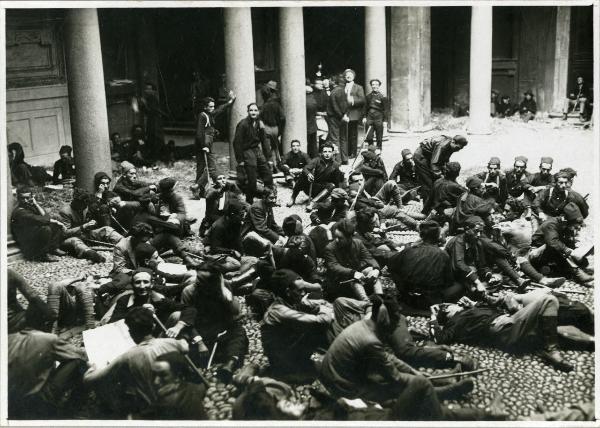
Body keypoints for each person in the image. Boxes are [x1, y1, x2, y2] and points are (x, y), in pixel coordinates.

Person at [319, 295, 479, 420]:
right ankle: (444, 391)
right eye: (395, 318)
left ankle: (438, 382)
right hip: (342, 385)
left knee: (405, 376)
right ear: (384, 318)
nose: (397, 324)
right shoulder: (370, 340)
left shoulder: (366, 326)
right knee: (393, 387)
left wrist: (413, 372)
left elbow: (388, 358)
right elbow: (394, 377)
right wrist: (420, 381)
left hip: (341, 374)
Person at [430, 288, 578, 372]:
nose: (457, 304)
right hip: (506, 329)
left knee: (545, 302)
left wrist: (475, 304)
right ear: (448, 312)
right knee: (549, 301)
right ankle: (551, 349)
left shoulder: (469, 312)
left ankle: (546, 342)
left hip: (510, 321)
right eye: (451, 305)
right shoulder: (456, 321)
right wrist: (433, 317)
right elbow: (440, 338)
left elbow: (493, 308)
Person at [83, 306, 191, 417]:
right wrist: (182, 341)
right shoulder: (172, 343)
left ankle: (117, 414)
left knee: (110, 380)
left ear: (130, 332)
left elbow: (89, 379)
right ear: (153, 326)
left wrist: (91, 367)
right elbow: (184, 346)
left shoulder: (127, 356)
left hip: (154, 412)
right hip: (181, 402)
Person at [8, 309, 88, 419]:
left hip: (11, 401)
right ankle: (69, 412)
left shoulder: (10, 337)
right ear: (46, 323)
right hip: (35, 402)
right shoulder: (48, 339)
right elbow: (80, 355)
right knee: (79, 362)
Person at [181, 265, 249, 382]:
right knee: (185, 346)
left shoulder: (223, 288)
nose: (199, 283)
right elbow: (187, 319)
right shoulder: (189, 291)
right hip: (200, 333)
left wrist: (225, 292)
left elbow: (236, 311)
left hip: (221, 330)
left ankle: (230, 364)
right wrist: (199, 342)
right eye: (198, 279)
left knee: (239, 331)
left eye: (205, 280)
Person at [388, 221, 458, 312]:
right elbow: (448, 282)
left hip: (407, 298)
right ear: (438, 236)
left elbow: (391, 265)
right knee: (460, 285)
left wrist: (401, 286)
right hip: (429, 301)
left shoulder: (408, 250)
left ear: (421, 235)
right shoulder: (443, 255)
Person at [530, 202, 594, 285]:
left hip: (548, 254)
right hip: (536, 253)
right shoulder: (551, 224)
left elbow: (568, 242)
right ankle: (577, 273)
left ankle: (566, 268)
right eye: (574, 223)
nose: (576, 227)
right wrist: (569, 251)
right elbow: (553, 242)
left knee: (582, 261)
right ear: (567, 220)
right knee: (556, 246)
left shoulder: (564, 225)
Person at [58, 187, 123, 263]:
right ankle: (91, 254)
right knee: (75, 241)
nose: (85, 206)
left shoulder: (85, 207)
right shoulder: (65, 212)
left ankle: (126, 242)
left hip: (85, 235)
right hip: (69, 239)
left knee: (107, 229)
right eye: (83, 203)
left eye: (86, 203)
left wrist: (92, 224)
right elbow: (64, 233)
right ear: (76, 201)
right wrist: (83, 227)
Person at [323, 219, 382, 301]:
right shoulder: (330, 248)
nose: (336, 240)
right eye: (335, 236)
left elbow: (369, 258)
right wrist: (352, 273)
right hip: (340, 280)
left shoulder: (358, 243)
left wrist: (376, 269)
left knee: (371, 271)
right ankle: (366, 303)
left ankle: (381, 298)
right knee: (354, 281)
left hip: (355, 273)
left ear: (350, 237)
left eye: (340, 238)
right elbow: (334, 266)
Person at [140, 351, 208, 420]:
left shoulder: (166, 404)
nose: (156, 381)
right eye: (154, 374)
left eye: (162, 375)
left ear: (178, 376)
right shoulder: (194, 388)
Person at [194, 93, 236, 197]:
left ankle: (199, 188)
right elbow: (199, 132)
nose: (213, 108)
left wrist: (229, 103)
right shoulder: (202, 116)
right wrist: (203, 146)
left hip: (208, 144)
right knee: (204, 166)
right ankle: (199, 188)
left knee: (207, 166)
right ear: (205, 107)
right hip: (203, 145)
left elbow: (219, 110)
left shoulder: (210, 114)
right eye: (210, 106)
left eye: (213, 106)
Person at [413, 134, 468, 213]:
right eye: (458, 147)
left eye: (460, 148)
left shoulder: (451, 146)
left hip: (430, 156)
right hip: (422, 156)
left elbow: (445, 160)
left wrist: (450, 174)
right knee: (428, 182)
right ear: (453, 142)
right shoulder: (441, 146)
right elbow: (434, 164)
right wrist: (442, 176)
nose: (458, 150)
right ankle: (427, 209)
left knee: (440, 181)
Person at [233, 102, 274, 204]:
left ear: (258, 112)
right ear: (248, 112)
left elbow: (264, 141)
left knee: (267, 171)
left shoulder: (259, 123)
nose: (253, 112)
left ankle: (269, 197)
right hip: (247, 150)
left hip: (256, 149)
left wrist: (269, 158)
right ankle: (249, 200)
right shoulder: (243, 124)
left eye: (255, 110)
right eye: (251, 110)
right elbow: (236, 143)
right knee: (251, 175)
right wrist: (240, 160)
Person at [11, 186, 66, 261]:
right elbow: (40, 219)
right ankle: (42, 255)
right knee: (46, 228)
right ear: (18, 198)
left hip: (33, 233)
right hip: (26, 241)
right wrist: (56, 222)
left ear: (31, 197)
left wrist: (36, 204)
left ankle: (53, 248)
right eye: (22, 198)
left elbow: (46, 216)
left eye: (27, 198)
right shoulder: (20, 211)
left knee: (55, 220)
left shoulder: (30, 206)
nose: (25, 200)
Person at [287, 143, 343, 209]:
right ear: (322, 153)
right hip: (310, 186)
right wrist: (309, 174)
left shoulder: (335, 165)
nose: (327, 153)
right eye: (325, 151)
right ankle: (293, 197)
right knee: (303, 175)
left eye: (329, 151)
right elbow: (305, 168)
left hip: (321, 191)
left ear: (333, 153)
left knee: (332, 185)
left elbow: (337, 183)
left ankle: (313, 203)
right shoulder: (316, 160)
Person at [8, 268, 54, 334]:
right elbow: (32, 296)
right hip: (17, 321)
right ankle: (44, 336)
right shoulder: (8, 273)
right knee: (38, 305)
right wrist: (50, 314)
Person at [340, 68, 366, 159]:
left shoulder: (358, 87)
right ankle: (345, 152)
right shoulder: (341, 87)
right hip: (342, 113)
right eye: (347, 75)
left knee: (353, 134)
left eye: (350, 75)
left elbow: (362, 100)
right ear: (344, 77)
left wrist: (352, 100)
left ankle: (353, 153)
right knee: (344, 134)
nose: (348, 76)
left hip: (353, 113)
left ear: (353, 76)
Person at [260, 90, 286, 169]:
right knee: (276, 148)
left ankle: (270, 168)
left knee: (267, 149)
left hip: (267, 128)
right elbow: (283, 118)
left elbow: (260, 117)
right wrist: (280, 129)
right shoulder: (277, 105)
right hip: (275, 128)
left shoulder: (264, 106)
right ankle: (277, 166)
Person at [326, 74, 347, 162]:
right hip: (343, 118)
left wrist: (340, 116)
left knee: (335, 139)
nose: (328, 82)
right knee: (343, 138)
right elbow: (346, 105)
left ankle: (338, 160)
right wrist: (344, 115)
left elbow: (335, 107)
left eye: (330, 80)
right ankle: (345, 159)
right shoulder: (342, 90)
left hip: (335, 118)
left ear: (333, 81)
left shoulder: (333, 92)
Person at [363, 78, 388, 150]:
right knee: (369, 136)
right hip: (370, 117)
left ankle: (379, 149)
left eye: (376, 84)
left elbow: (385, 110)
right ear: (371, 86)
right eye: (373, 84)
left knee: (379, 136)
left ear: (379, 86)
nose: (374, 86)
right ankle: (371, 149)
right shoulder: (368, 96)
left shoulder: (383, 97)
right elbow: (365, 108)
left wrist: (385, 121)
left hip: (379, 118)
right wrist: (364, 117)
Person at [305, 83, 319, 158]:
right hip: (313, 125)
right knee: (313, 145)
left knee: (307, 144)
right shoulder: (313, 100)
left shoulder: (304, 101)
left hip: (306, 126)